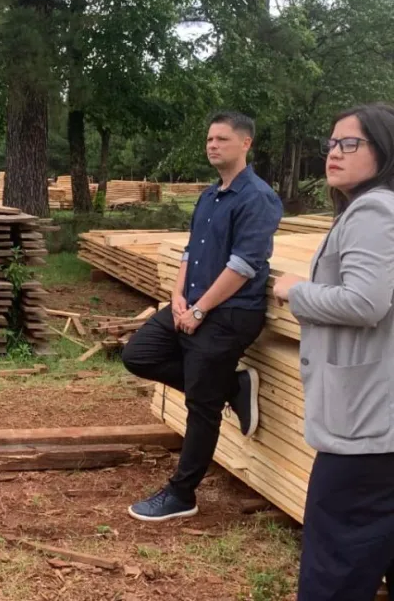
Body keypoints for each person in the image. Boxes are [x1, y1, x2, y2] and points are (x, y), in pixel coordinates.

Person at [121, 111, 283, 522]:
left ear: (245, 143)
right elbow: (191, 251)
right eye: (210, 139)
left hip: (230, 314)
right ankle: (228, 385)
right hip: (191, 304)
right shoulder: (210, 196)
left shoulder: (258, 198)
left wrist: (199, 308)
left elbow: (243, 266)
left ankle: (182, 495)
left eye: (222, 139)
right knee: (138, 355)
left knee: (201, 405)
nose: (213, 145)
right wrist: (177, 296)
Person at [273, 104, 394, 601]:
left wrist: (295, 291)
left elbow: (366, 302)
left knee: (335, 567)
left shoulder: (373, 211)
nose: (334, 153)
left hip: (364, 430)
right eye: (331, 143)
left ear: (384, 151)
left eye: (350, 143)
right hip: (380, 422)